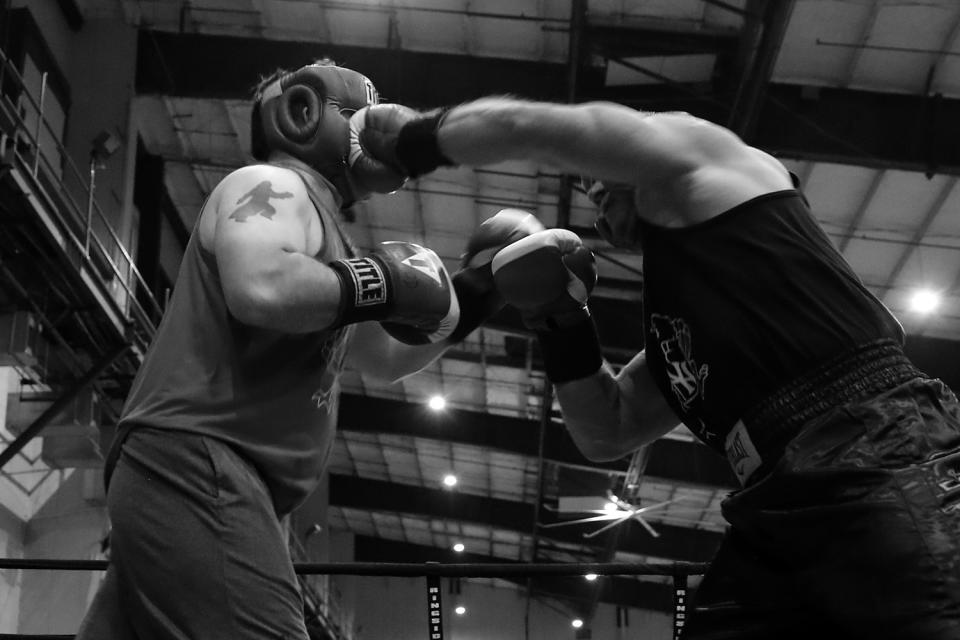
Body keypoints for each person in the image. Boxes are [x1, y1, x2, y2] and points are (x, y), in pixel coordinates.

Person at [350, 98, 960, 639]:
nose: (595, 213)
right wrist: (559, 320)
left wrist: (419, 140)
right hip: (775, 502)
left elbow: (531, 125)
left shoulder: (708, 161)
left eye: (596, 186)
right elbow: (605, 431)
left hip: (879, 446)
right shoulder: (680, 329)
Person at [76, 62, 543, 639]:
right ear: (303, 112)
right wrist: (386, 281)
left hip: (193, 473)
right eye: (361, 113)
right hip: (199, 459)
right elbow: (261, 286)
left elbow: (388, 356)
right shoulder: (271, 186)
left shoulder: (327, 243)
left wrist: (480, 289)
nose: (382, 129)